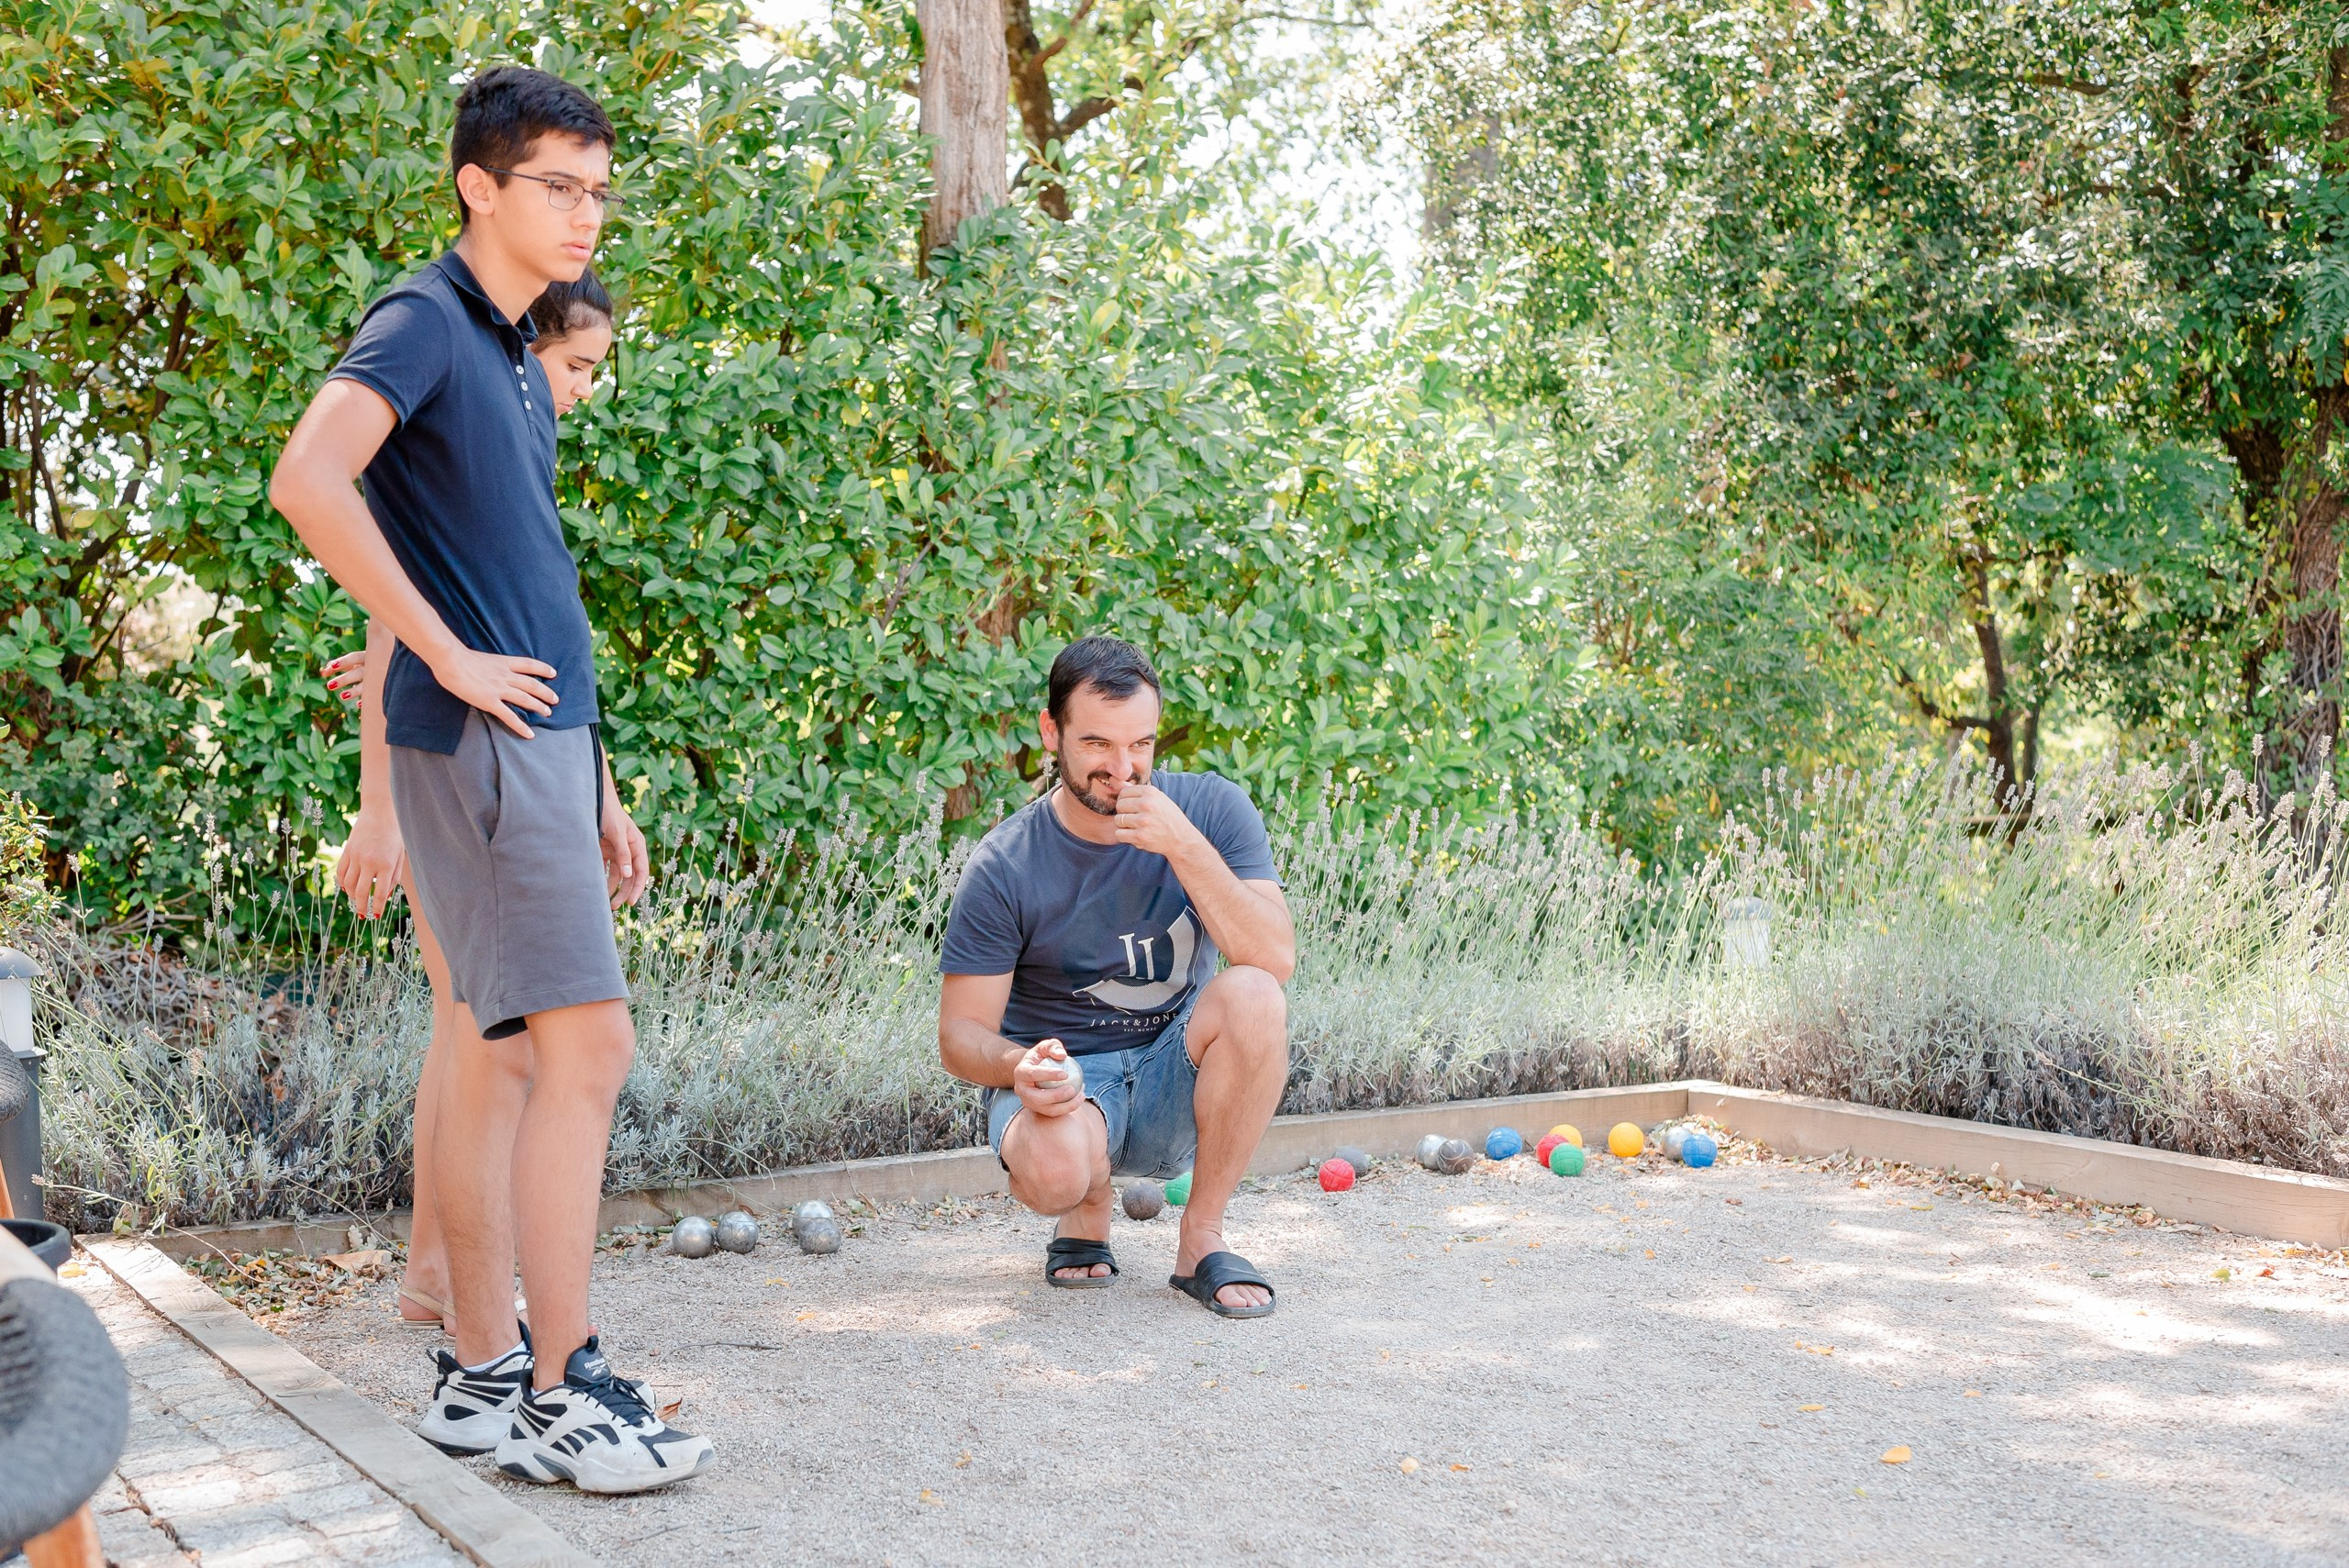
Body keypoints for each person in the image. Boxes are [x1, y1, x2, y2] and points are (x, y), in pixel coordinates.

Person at [269, 66, 712, 1492]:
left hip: (543, 748)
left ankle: (475, 1376)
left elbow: (504, 559)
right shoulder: (427, 319)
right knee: (582, 1051)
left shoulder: (516, 347)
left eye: (598, 190)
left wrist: (597, 776)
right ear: (480, 186)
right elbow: (309, 479)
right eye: (558, 187)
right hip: (490, 743)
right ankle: (560, 1390)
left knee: (503, 1051)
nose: (587, 213)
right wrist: (444, 654)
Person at [322, 269, 618, 1339]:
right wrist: (379, 810)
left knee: (478, 1037)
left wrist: (601, 789)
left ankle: (438, 1276)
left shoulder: (514, 442)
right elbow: (398, 622)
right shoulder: (456, 385)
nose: (585, 389)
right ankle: (464, 1308)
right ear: (523, 350)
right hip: (454, 759)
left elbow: (535, 624)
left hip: (516, 749)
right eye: (576, 364)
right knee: (484, 1037)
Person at [938, 636, 1296, 1318]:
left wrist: (1182, 844)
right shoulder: (1005, 863)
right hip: (1067, 1087)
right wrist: (1023, 1067)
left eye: (1142, 745)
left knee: (1254, 994)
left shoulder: (1212, 810)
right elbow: (958, 1034)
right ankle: (1087, 1197)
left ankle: (1202, 1238)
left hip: (1174, 1075)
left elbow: (1274, 958)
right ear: (1052, 731)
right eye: (1099, 744)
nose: (1124, 769)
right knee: (1052, 1172)